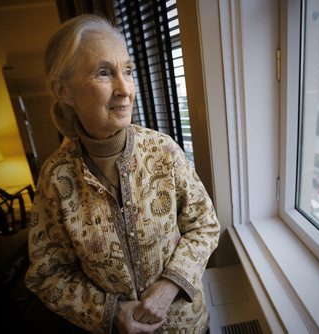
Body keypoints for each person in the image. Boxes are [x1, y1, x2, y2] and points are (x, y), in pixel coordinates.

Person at [25, 14, 220, 334]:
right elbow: (47, 274)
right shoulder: (55, 179)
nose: (125, 88)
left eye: (127, 71)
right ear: (65, 91)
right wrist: (111, 312)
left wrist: (170, 284)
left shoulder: (163, 151)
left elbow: (205, 226)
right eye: (104, 73)